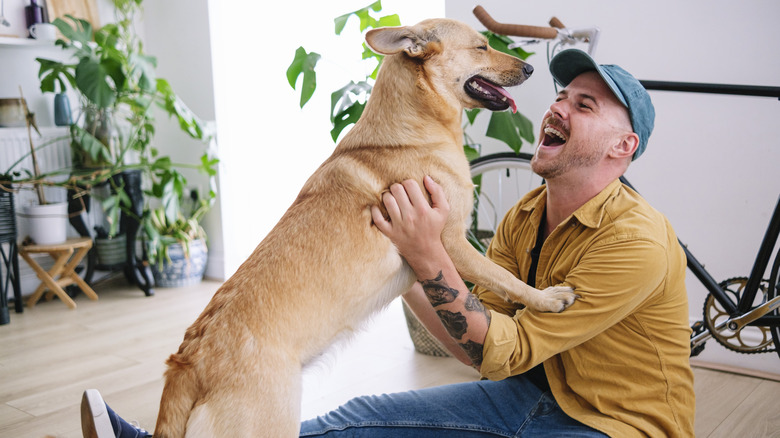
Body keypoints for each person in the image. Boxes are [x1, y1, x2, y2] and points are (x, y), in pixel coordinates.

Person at [81, 48, 695, 437]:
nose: (556, 107)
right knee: (360, 421)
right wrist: (394, 261)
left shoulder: (636, 240)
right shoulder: (525, 217)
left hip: (616, 427)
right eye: (560, 96)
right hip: (526, 397)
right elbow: (475, 340)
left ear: (623, 148)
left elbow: (507, 350)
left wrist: (426, 252)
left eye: (583, 105)